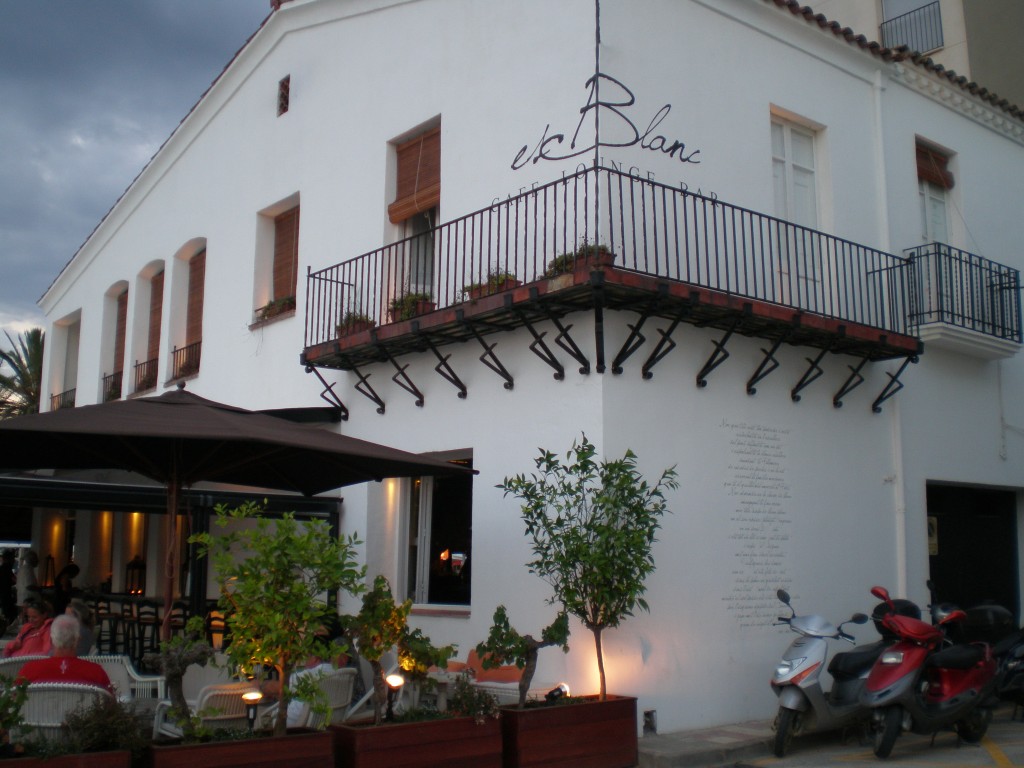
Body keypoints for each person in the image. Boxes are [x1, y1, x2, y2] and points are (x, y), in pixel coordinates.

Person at [17, 615, 113, 693]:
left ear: (51, 639)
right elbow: (110, 707)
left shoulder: (28, 670)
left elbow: (13, 704)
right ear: (77, 640)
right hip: (82, 717)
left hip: (36, 717)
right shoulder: (96, 672)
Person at [0, 550, 16, 624]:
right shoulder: (7, 569)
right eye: (13, 558)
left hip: (3, 597)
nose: (14, 561)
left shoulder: (2, 568)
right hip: (6, 597)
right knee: (8, 617)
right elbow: (14, 581)